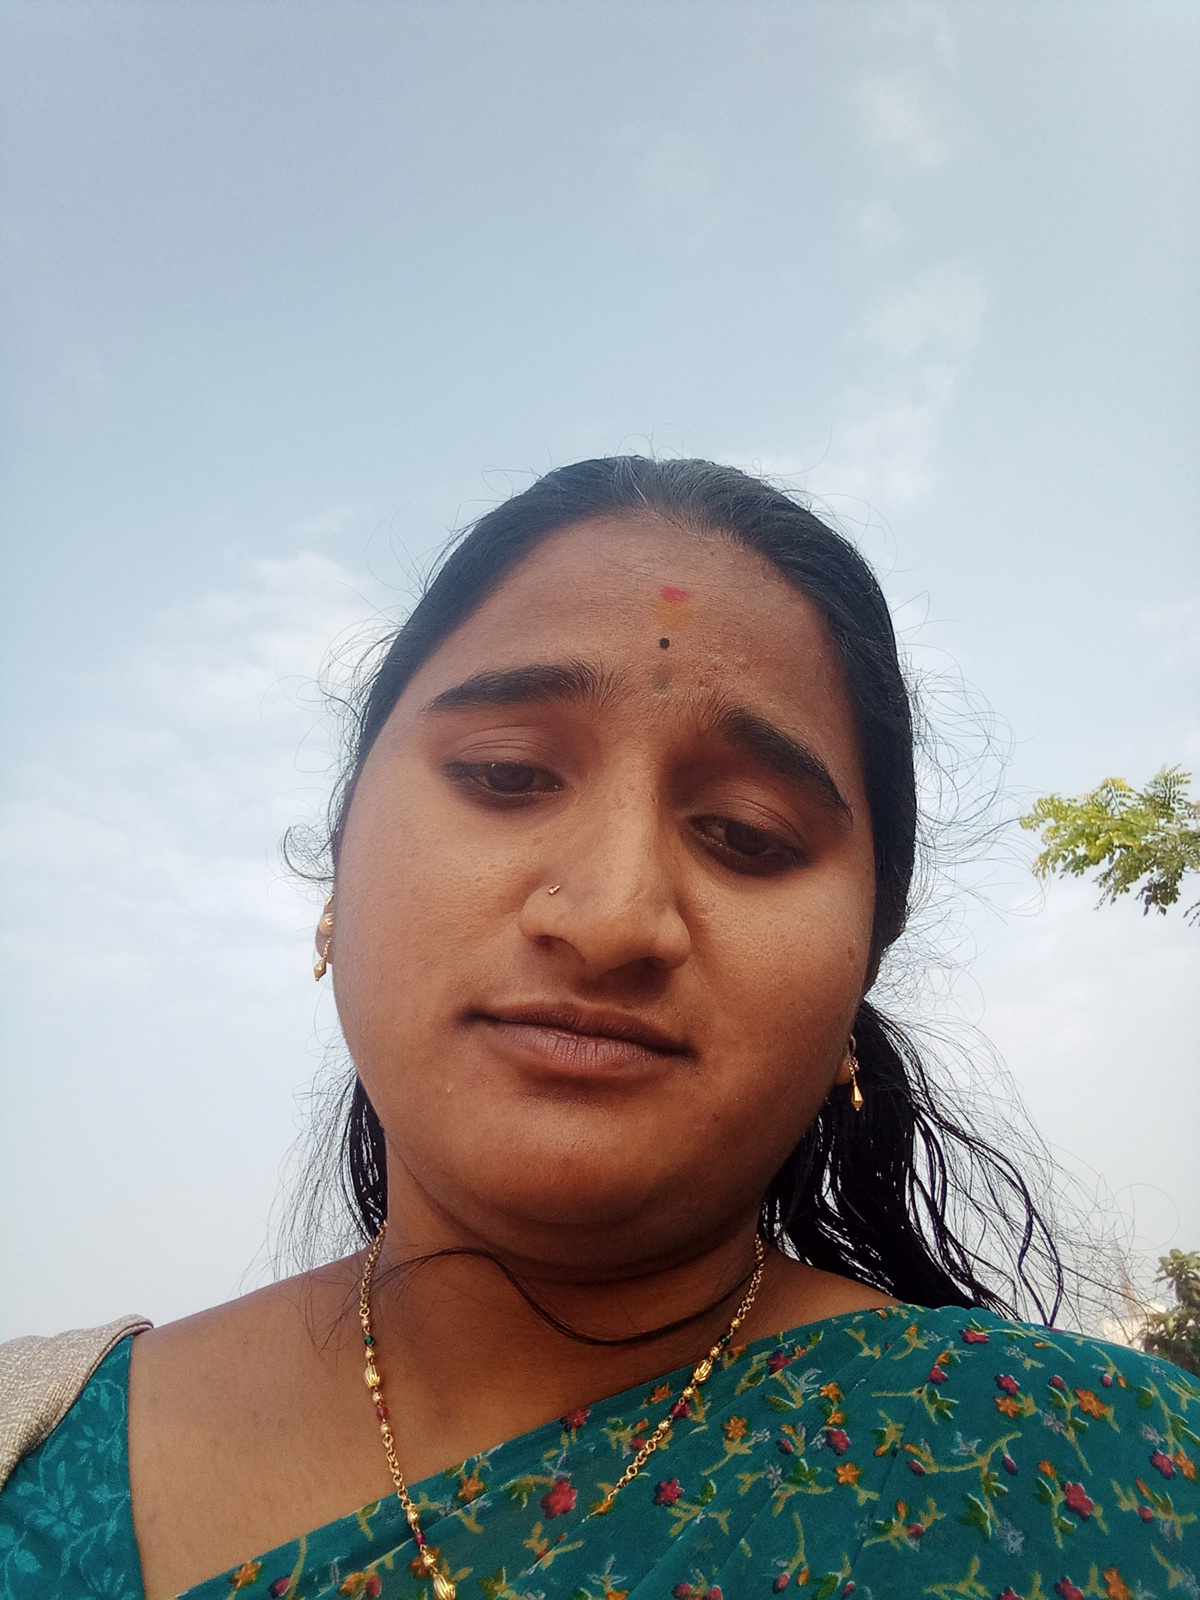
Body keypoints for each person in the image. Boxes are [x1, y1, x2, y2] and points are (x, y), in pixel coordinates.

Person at [1, 456, 1195, 1600]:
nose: (614, 916)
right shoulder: (30, 1450)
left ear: (860, 977)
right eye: (507, 773)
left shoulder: (1112, 1480)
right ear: (340, 862)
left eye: (748, 833)